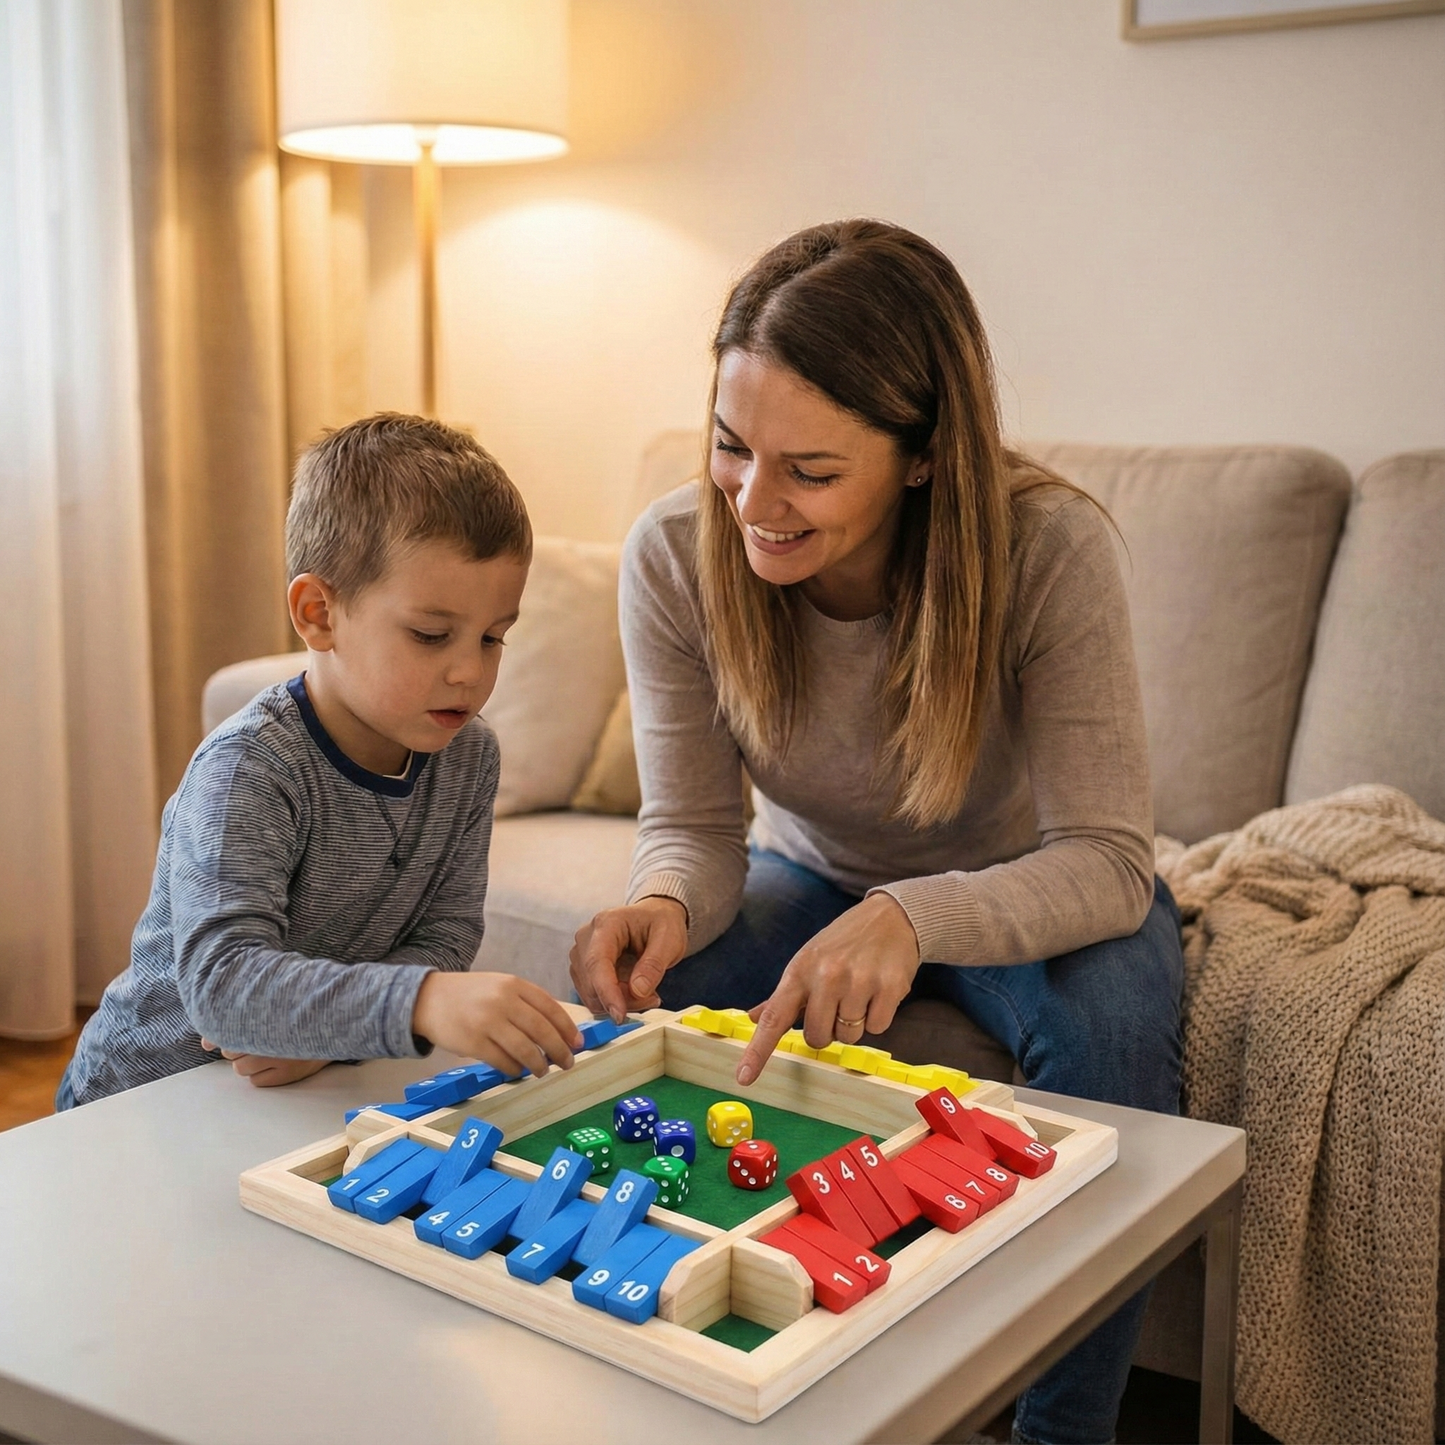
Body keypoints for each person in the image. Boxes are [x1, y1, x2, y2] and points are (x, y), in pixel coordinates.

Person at [570, 220, 1184, 1445]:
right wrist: (660, 903)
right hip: (817, 876)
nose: (753, 499)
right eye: (731, 446)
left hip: (1034, 887)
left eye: (808, 467)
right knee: (645, 997)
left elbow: (1109, 856)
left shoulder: (1047, 548)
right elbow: (693, 827)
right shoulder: (674, 555)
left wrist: (913, 916)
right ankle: (678, 1357)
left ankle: (1062, 1430)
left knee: (1109, 1041)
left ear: (919, 457)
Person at [60, 413, 582, 1108]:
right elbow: (222, 986)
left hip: (286, 1098)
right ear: (317, 613)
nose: (468, 672)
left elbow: (447, 931)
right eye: (431, 635)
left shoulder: (469, 754)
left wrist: (328, 1036)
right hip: (140, 1100)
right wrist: (420, 1001)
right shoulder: (250, 766)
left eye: (493, 638)